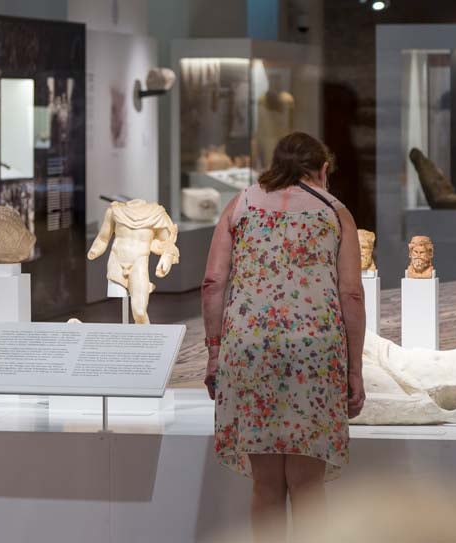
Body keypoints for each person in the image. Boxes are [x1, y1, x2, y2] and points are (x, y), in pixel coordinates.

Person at [201, 131, 366, 542]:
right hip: (315, 347)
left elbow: (212, 282)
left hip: (249, 345)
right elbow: (351, 292)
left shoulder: (240, 204)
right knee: (307, 483)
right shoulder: (335, 211)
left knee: (266, 484)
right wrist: (356, 370)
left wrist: (213, 353)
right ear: (323, 168)